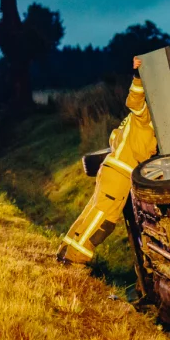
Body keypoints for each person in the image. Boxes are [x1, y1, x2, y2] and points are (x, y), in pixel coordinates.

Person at [57, 57, 157, 265]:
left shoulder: (133, 121)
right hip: (121, 174)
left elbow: (114, 137)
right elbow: (134, 100)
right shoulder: (145, 116)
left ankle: (66, 250)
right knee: (103, 221)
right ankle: (75, 260)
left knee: (91, 212)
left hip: (111, 168)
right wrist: (138, 77)